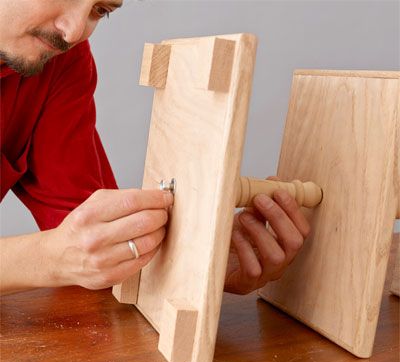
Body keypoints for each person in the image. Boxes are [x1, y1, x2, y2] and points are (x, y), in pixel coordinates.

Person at [0, 0, 310, 296]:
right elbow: (64, 254)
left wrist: (193, 261)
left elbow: (88, 240)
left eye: (100, 10)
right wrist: (48, 259)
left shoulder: (60, 59)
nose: (73, 31)